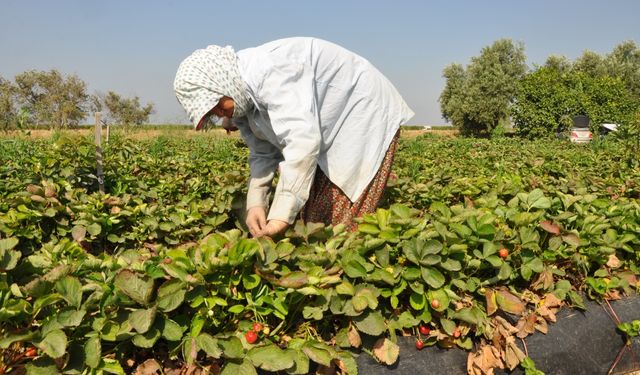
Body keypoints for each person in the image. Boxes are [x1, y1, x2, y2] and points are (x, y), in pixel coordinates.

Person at [174, 37, 414, 238]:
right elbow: (262, 152)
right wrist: (256, 203)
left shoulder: (270, 72)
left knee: (334, 222)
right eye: (213, 113)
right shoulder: (240, 98)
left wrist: (280, 214)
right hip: (326, 127)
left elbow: (302, 141)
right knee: (310, 216)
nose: (220, 114)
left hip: (363, 114)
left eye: (216, 105)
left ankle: (344, 276)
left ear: (220, 84)